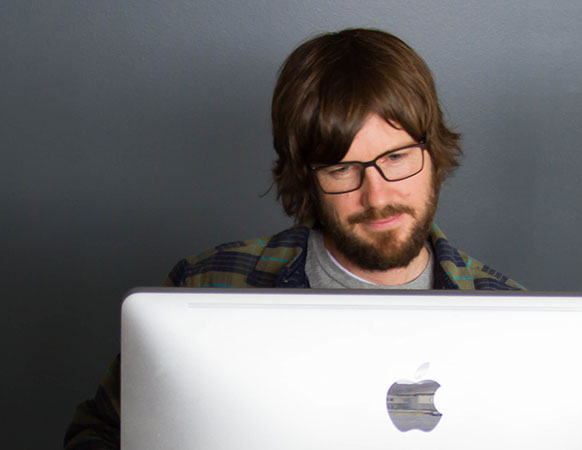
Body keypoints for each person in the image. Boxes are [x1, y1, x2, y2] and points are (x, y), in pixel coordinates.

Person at [64, 27, 523, 449]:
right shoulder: (206, 288)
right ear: (306, 179)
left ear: (433, 153)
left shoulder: (518, 322)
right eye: (342, 169)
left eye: (398, 157)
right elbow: (98, 434)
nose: (377, 194)